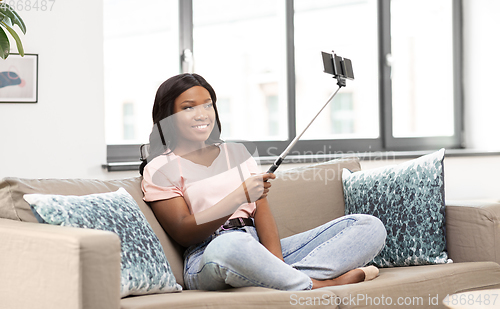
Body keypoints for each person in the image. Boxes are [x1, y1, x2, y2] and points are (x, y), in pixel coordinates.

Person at [140, 73, 387, 291]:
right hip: (210, 254)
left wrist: (275, 261)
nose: (202, 114)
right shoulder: (159, 168)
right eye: (188, 108)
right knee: (230, 244)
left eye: (208, 105)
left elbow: (262, 212)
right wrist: (238, 197)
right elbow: (183, 232)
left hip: (256, 246)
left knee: (368, 226)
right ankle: (323, 283)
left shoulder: (236, 154)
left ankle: (280, 278)